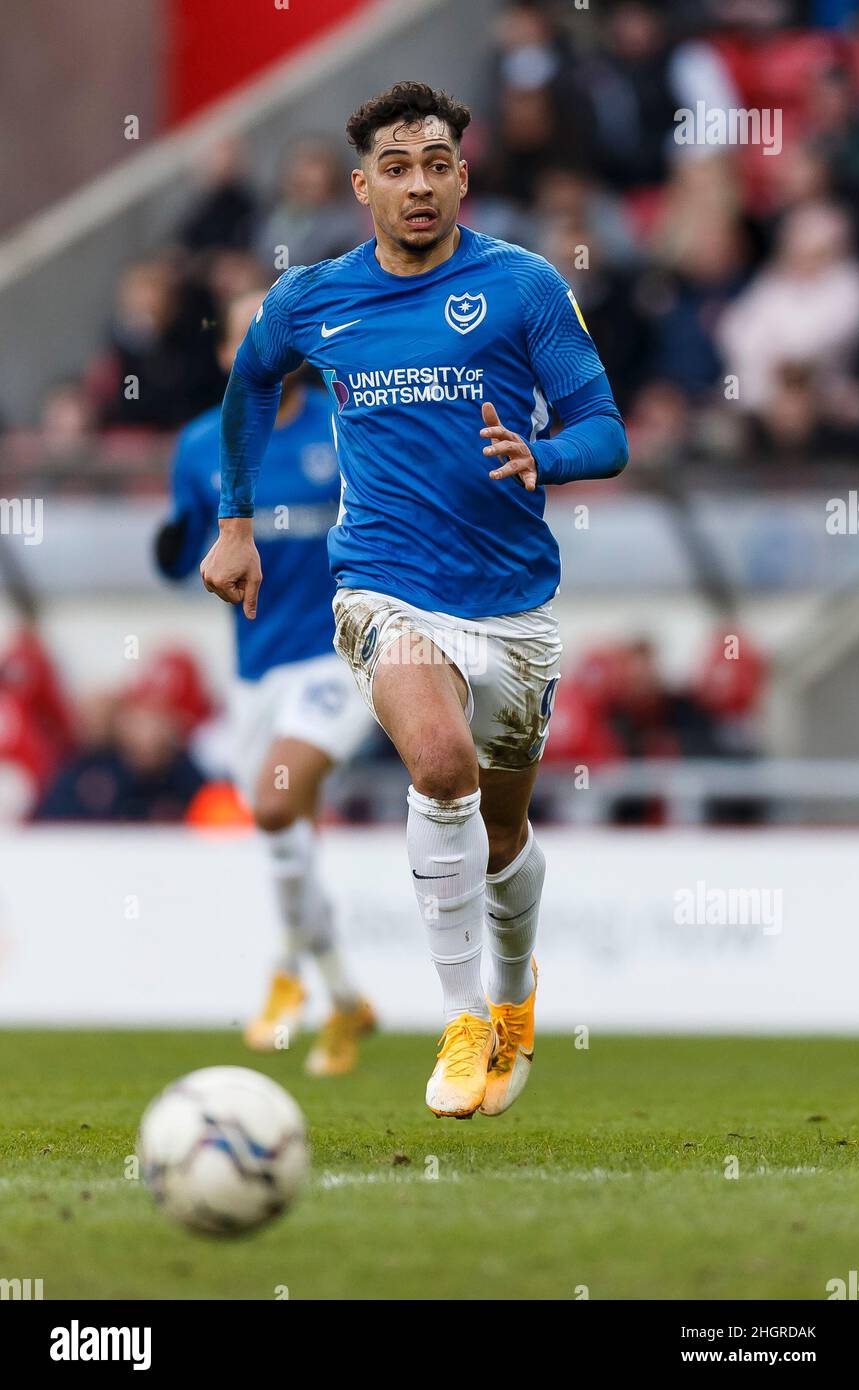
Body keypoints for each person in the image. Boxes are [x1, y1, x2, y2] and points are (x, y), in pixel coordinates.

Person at [201, 82, 628, 1118]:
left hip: (512, 605)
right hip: (383, 585)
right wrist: (235, 520)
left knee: (499, 836)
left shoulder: (522, 287)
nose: (419, 184)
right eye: (396, 168)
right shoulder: (312, 298)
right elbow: (250, 382)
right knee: (437, 763)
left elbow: (605, 431)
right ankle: (459, 1017)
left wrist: (545, 454)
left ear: (462, 176)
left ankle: (513, 1001)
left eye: (436, 163)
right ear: (362, 187)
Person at [156, 292, 375, 1077]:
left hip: (341, 657)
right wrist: (178, 542)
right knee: (290, 836)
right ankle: (344, 997)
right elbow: (188, 559)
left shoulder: (343, 428)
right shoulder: (197, 446)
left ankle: (285, 975)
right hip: (255, 675)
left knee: (279, 804)